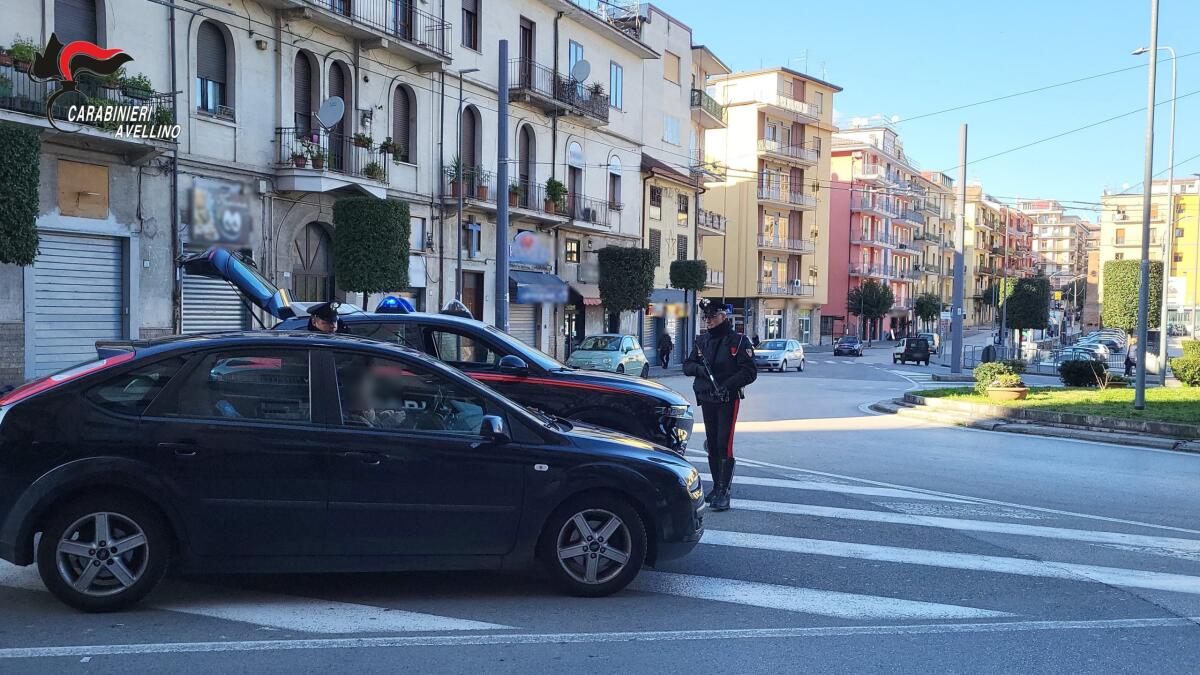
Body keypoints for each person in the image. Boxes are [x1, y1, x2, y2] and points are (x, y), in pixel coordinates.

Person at [682, 299, 757, 512]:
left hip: (726, 398)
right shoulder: (702, 341)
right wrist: (700, 371)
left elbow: (750, 371)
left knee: (724, 443)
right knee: (713, 443)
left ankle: (725, 492)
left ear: (723, 316)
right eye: (706, 318)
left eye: (712, 317)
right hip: (707, 398)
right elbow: (687, 366)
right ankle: (716, 487)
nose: (709, 322)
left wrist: (728, 385)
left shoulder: (738, 341)